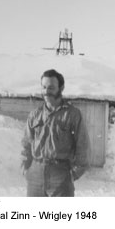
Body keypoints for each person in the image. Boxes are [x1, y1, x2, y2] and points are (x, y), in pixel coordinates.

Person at [21, 69, 90, 197]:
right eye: (44, 87)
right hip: (35, 174)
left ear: (61, 88)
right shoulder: (34, 115)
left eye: (51, 88)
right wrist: (26, 169)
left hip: (61, 174)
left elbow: (83, 145)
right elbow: (26, 144)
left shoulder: (72, 114)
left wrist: (74, 173)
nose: (46, 92)